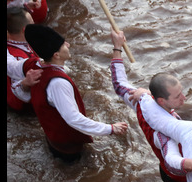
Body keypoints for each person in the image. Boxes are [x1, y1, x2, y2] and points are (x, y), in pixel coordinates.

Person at [109, 29, 192, 182]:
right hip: (180, 179)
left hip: (167, 171)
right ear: (160, 101)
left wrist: (117, 47)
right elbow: (171, 160)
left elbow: (119, 84)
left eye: (182, 92)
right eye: (177, 97)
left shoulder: (141, 101)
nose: (184, 98)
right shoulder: (162, 132)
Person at [23, 24, 128, 161]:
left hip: (52, 135)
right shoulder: (58, 84)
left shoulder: (34, 65)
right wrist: (111, 128)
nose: (68, 44)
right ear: (56, 55)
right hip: (67, 147)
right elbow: (74, 119)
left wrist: (23, 84)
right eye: (63, 44)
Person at [7, 7, 39, 113]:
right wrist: (25, 83)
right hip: (21, 106)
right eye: (32, 23)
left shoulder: (21, 41)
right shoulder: (18, 58)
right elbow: (17, 89)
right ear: (25, 30)